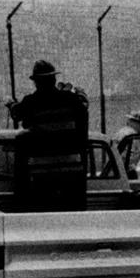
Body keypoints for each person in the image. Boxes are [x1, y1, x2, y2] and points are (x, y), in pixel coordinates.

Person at [7, 60, 90, 210]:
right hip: (72, 169)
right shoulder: (71, 100)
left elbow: (18, 115)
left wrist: (11, 105)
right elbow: (83, 115)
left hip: (42, 172)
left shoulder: (31, 102)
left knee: (44, 215)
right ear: (54, 79)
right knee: (72, 215)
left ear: (36, 82)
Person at [113, 109, 140, 178]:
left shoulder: (123, 132)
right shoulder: (131, 136)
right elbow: (126, 159)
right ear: (138, 123)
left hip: (118, 171)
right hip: (124, 173)